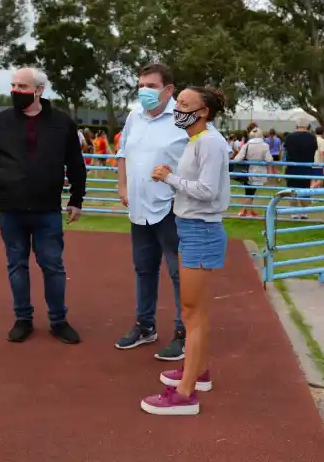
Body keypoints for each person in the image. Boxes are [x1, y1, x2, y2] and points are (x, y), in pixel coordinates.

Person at [0, 67, 86, 345]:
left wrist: (76, 198)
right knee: (16, 265)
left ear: (39, 90)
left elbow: (75, 162)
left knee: (53, 266)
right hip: (11, 209)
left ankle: (58, 321)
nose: (15, 91)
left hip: (47, 209)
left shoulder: (62, 123)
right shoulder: (0, 123)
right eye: (13, 85)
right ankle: (23, 319)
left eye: (22, 86)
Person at [141, 86, 230, 416]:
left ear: (202, 111)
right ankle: (197, 371)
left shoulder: (209, 142)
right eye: (177, 102)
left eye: (183, 103)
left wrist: (170, 178)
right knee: (195, 311)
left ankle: (185, 393)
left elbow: (207, 191)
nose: (176, 107)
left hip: (202, 231)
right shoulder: (199, 141)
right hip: (192, 229)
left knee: (192, 313)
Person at [114, 63, 188, 362]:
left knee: (179, 274)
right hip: (139, 209)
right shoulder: (134, 117)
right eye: (141, 85)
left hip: (172, 209)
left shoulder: (183, 120)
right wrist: (122, 187)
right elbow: (122, 154)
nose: (144, 91)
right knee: (143, 269)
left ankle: (184, 334)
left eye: (151, 86)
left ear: (168, 90)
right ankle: (145, 326)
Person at [233, 126, 273, 217]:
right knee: (251, 193)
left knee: (248, 192)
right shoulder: (265, 146)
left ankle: (247, 211)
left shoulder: (247, 145)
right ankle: (248, 212)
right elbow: (269, 159)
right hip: (259, 172)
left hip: (246, 172)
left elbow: (237, 159)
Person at [282, 119, 318, 219]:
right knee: (305, 189)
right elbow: (314, 150)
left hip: (292, 167)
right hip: (306, 167)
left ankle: (294, 213)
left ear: (297, 126)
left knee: (292, 190)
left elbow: (285, 149)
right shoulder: (312, 137)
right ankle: (304, 212)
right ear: (307, 127)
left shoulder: (290, 137)